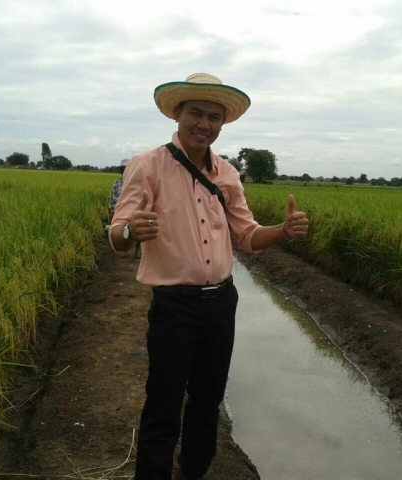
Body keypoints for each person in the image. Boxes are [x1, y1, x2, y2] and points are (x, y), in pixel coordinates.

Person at [109, 73, 309, 480]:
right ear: (178, 114)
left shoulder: (228, 175)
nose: (204, 124)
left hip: (221, 303)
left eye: (213, 117)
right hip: (175, 306)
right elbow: (117, 232)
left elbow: (248, 237)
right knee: (163, 403)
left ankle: (195, 472)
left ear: (223, 123)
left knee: (207, 400)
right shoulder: (147, 165)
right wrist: (132, 231)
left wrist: (282, 232)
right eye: (196, 113)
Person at [109, 158, 141, 258]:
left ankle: (137, 250)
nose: (125, 171)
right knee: (123, 232)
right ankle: (124, 249)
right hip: (120, 212)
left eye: (127, 169)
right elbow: (113, 198)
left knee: (138, 230)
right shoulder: (117, 183)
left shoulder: (137, 183)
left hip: (134, 211)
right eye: (123, 169)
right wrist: (113, 212)